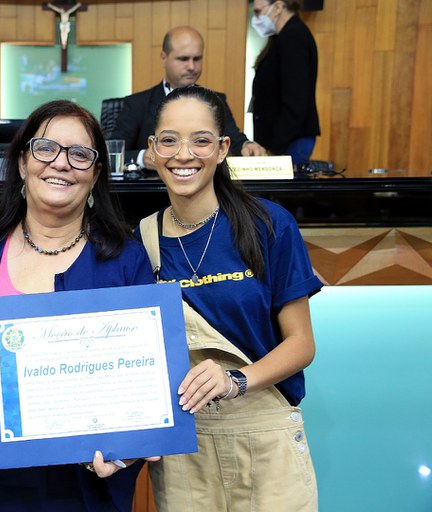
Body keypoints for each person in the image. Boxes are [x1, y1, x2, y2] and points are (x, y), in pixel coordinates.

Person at [0, 99, 157, 511]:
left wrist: (129, 449)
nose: (61, 163)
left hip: (89, 485)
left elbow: (148, 380)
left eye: (80, 154)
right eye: (46, 148)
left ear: (96, 173)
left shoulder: (126, 260)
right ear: (22, 163)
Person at [136, 85, 321, 510]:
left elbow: (301, 343)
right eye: (169, 140)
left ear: (222, 149)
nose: (183, 155)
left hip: (266, 439)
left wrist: (235, 380)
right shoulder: (142, 241)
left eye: (200, 141)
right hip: (186, 451)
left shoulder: (269, 225)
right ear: (153, 149)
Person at [110, 26, 266, 169]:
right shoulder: (136, 104)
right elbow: (111, 152)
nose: (192, 67)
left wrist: (247, 145)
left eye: (197, 59)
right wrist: (141, 157)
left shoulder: (216, 101)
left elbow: (235, 140)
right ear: (164, 58)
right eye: (183, 59)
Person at [251, 0, 320, 164]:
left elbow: (296, 100)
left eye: (258, 11)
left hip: (289, 142)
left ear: (278, 7)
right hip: (282, 140)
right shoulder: (280, 38)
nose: (256, 18)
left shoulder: (294, 37)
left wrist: (274, 148)